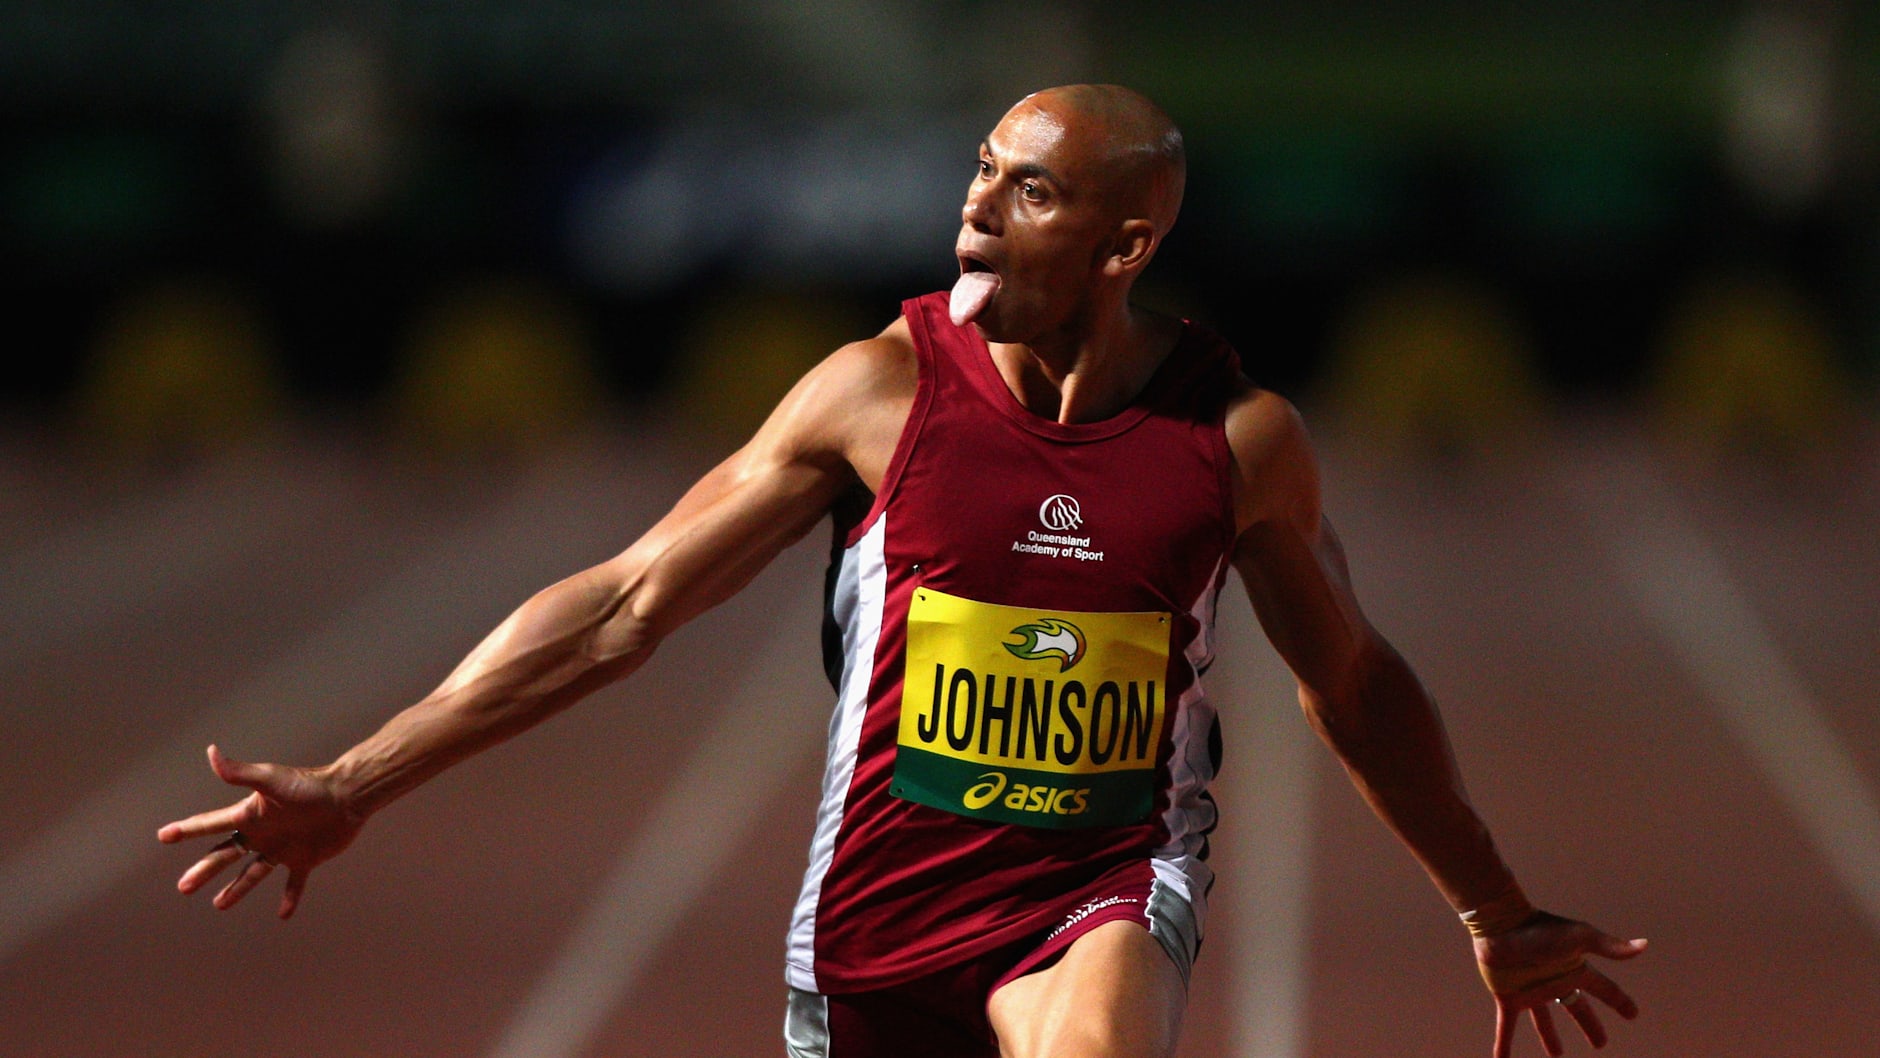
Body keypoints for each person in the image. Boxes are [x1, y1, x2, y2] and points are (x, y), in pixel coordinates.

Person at [159, 84, 1645, 1058]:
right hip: (874, 923)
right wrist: (357, 779)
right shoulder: (876, 394)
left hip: (1095, 891)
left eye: (1031, 191)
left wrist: (1493, 905)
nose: (976, 208)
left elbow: (1357, 684)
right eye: (982, 173)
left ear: (1127, 241)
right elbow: (622, 605)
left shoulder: (1235, 439)